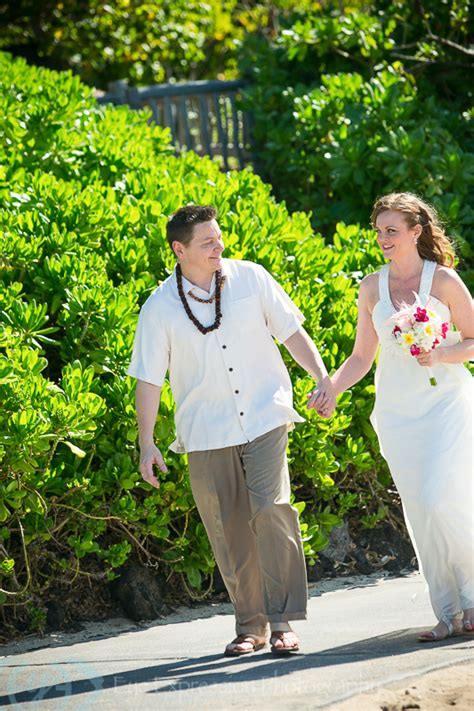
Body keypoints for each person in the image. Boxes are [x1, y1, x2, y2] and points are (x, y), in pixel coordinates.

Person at [128, 204, 335, 656]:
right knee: (228, 527)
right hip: (206, 431)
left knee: (270, 508)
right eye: (207, 242)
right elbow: (148, 377)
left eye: (218, 237)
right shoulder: (160, 305)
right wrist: (147, 443)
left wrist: (323, 378)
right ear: (179, 249)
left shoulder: (252, 277)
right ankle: (251, 626)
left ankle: (281, 622)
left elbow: (291, 332)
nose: (218, 246)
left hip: (264, 416)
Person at [308, 192, 474, 642]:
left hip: (446, 407)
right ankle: (447, 611)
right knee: (420, 507)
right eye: (379, 230)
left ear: (416, 232)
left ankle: (473, 598)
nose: (383, 238)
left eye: (392, 230)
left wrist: (441, 353)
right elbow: (363, 355)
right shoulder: (370, 287)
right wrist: (331, 388)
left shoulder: (443, 282)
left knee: (445, 498)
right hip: (398, 414)